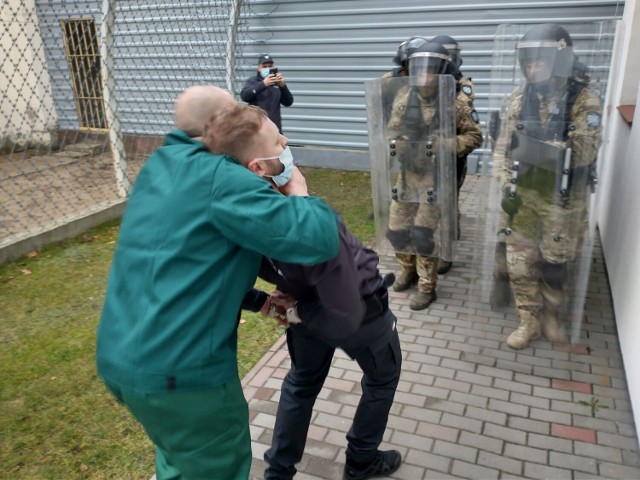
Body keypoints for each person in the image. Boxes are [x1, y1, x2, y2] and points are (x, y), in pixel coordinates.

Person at [96, 85, 340, 480]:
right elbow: (316, 237)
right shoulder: (223, 177)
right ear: (225, 127)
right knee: (215, 468)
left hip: (123, 359)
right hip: (183, 377)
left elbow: (187, 261)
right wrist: (298, 192)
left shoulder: (161, 165)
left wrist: (258, 301)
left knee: (179, 458)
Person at [205, 103, 403, 480]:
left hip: (306, 310)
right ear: (258, 167)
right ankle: (362, 462)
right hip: (361, 311)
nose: (286, 141)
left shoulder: (238, 214)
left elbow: (223, 277)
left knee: (301, 384)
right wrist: (302, 198)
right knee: (382, 378)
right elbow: (345, 315)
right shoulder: (309, 223)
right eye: (277, 141)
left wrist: (266, 303)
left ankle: (279, 472)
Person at [491, 24, 603, 349]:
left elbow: (585, 149)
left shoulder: (582, 100)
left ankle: (553, 314)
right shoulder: (515, 100)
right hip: (524, 199)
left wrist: (535, 152)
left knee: (554, 266)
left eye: (539, 60)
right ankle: (529, 321)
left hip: (561, 201)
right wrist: (508, 181)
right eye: (527, 61)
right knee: (520, 265)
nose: (531, 67)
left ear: (559, 59)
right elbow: (501, 148)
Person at [386, 41, 483, 310]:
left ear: (441, 71)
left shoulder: (456, 101)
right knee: (396, 229)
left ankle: (427, 287)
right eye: (418, 70)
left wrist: (448, 144)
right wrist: (397, 142)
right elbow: (391, 131)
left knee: (423, 234)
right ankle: (408, 268)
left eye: (429, 71)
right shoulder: (405, 98)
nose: (422, 76)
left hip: (437, 178)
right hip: (407, 176)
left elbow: (475, 137)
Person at [430, 34, 480, 273]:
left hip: (452, 159)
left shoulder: (461, 88)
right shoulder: (425, 85)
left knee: (448, 205)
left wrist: (447, 144)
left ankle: (447, 251)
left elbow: (472, 135)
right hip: (426, 161)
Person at [241, 54, 294, 133]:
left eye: (270, 66)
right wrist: (263, 84)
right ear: (259, 68)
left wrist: (283, 86)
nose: (268, 69)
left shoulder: (277, 83)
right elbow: (244, 96)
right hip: (257, 129)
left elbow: (288, 102)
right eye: (264, 67)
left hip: (275, 129)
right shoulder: (252, 81)